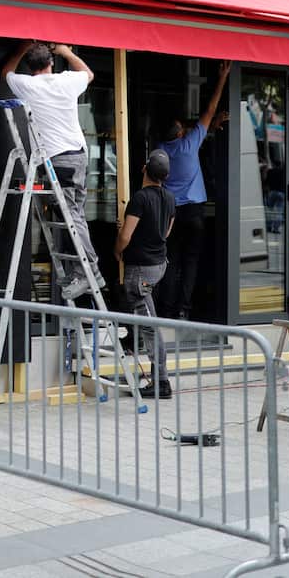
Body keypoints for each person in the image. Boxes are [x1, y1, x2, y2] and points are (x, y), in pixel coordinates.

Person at [2, 40, 103, 298]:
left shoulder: (28, 85)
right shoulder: (66, 81)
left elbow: (6, 73)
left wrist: (21, 48)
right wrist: (66, 51)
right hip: (79, 156)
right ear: (50, 63)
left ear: (30, 66)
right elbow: (89, 74)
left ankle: (89, 272)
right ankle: (81, 270)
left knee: (72, 218)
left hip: (59, 160)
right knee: (75, 215)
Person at [157, 60, 230, 320]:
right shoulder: (190, 144)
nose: (186, 127)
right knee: (190, 263)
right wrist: (222, 77)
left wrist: (208, 125)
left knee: (171, 262)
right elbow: (210, 108)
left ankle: (165, 310)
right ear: (180, 134)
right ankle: (183, 310)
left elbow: (199, 123)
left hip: (171, 214)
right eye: (183, 127)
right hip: (195, 214)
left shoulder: (161, 150)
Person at [113, 149, 175, 399]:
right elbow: (166, 233)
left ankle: (161, 383)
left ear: (144, 170)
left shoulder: (139, 199)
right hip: (159, 265)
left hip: (140, 270)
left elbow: (126, 236)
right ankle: (158, 379)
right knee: (149, 320)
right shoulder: (170, 198)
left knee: (150, 326)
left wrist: (117, 251)